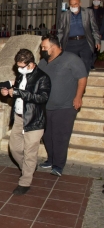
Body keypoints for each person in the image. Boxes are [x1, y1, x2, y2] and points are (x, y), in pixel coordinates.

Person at [1, 49, 51, 195]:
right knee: (14, 148)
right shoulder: (20, 75)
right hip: (18, 117)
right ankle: (28, 167)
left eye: (22, 66)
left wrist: (18, 93)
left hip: (34, 119)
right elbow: (17, 91)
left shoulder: (43, 77)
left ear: (31, 64)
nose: (19, 69)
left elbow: (42, 98)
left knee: (30, 151)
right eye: (18, 66)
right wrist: (9, 91)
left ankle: (25, 182)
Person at [38, 34, 87, 176]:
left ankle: (58, 165)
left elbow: (82, 79)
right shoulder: (43, 62)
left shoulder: (71, 59)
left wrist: (78, 97)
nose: (42, 49)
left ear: (53, 47)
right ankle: (51, 159)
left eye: (44, 47)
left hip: (65, 106)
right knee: (47, 135)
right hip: (46, 106)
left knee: (60, 136)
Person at [57, 0, 100, 74]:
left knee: (86, 63)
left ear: (80, 3)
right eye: (71, 4)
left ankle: (83, 83)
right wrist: (59, 43)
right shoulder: (64, 15)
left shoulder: (88, 12)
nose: (73, 6)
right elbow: (60, 31)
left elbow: (94, 28)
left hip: (85, 42)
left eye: (75, 4)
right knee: (70, 64)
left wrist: (97, 41)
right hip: (70, 43)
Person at [88, 0, 104, 70]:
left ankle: (92, 64)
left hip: (98, 34)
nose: (96, 1)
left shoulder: (102, 11)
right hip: (88, 33)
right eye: (95, 0)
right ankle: (87, 63)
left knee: (96, 49)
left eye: (98, 0)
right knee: (88, 49)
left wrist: (100, 33)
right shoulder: (88, 10)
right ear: (93, 1)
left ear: (100, 2)